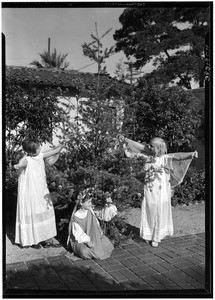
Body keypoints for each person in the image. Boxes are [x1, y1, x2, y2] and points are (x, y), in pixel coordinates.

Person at [121, 136, 198, 247]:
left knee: (160, 211)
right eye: (150, 145)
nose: (149, 147)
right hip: (150, 189)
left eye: (152, 146)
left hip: (162, 191)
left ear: (159, 148)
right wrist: (124, 142)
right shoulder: (147, 158)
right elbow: (131, 154)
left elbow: (178, 156)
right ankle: (149, 235)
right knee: (150, 210)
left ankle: (157, 236)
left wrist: (191, 154)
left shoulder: (165, 158)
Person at [13, 138, 66, 248]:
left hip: (41, 188)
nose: (40, 148)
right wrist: (18, 166)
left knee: (44, 209)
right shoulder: (27, 159)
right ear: (31, 151)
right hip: (31, 191)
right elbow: (21, 163)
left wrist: (60, 146)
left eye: (38, 146)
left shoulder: (40, 155)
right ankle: (33, 239)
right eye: (37, 148)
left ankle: (45, 237)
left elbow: (53, 152)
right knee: (33, 211)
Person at [67, 188, 114, 260]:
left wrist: (108, 205)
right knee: (85, 252)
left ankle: (96, 250)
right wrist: (87, 242)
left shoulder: (90, 210)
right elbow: (78, 234)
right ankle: (88, 250)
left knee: (108, 245)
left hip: (94, 237)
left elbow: (103, 215)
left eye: (91, 202)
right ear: (81, 203)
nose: (91, 204)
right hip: (82, 240)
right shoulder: (77, 217)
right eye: (88, 202)